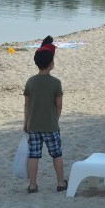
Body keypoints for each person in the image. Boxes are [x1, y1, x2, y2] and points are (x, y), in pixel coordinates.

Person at [23, 35, 67, 193]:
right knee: (56, 153)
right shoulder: (56, 83)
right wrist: (55, 119)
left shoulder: (30, 82)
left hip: (33, 125)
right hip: (50, 125)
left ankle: (33, 185)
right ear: (51, 64)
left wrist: (26, 123)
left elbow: (27, 104)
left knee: (34, 155)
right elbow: (59, 105)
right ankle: (61, 182)